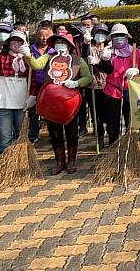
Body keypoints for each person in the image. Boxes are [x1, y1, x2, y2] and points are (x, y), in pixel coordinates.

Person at [25, 33, 93, 174]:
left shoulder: (77, 60)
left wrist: (76, 83)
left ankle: (72, 161)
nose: (60, 44)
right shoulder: (48, 57)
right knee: (55, 133)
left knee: (71, 132)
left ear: (69, 45)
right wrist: (28, 55)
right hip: (51, 101)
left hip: (70, 101)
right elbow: (36, 65)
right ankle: (59, 161)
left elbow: (88, 77)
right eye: (57, 42)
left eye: (63, 42)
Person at [0, 31, 30, 155]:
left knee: (21, 135)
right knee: (5, 137)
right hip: (3, 103)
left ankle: (21, 159)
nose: (16, 44)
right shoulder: (0, 57)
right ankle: (7, 161)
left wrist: (32, 96)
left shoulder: (28, 60)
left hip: (22, 104)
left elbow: (34, 80)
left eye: (20, 42)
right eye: (14, 41)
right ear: (9, 43)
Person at [102, 24, 140, 145]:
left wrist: (137, 70)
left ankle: (131, 145)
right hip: (112, 90)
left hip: (131, 90)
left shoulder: (135, 52)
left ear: (127, 37)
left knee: (130, 120)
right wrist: (105, 60)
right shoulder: (108, 52)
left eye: (121, 35)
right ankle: (114, 145)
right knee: (113, 121)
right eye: (115, 35)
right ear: (111, 38)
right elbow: (107, 70)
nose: (118, 38)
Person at [28, 21, 54, 144]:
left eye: (47, 36)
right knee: (33, 111)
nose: (44, 38)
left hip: (49, 85)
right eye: (42, 36)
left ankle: (52, 133)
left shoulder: (53, 50)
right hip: (34, 85)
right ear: (37, 36)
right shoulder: (31, 49)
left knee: (50, 110)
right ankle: (33, 134)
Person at [86, 23, 112, 149]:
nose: (100, 36)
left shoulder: (110, 49)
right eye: (98, 33)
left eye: (103, 33)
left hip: (108, 86)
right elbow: (83, 62)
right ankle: (99, 137)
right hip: (93, 86)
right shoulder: (89, 49)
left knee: (109, 113)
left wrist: (99, 62)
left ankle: (112, 138)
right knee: (96, 115)